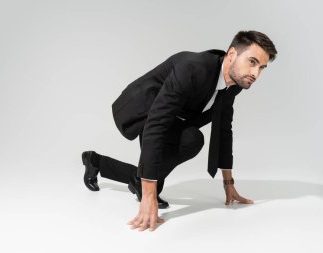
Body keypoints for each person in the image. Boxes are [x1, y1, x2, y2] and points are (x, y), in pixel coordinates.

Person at [81, 30, 277, 231]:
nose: (255, 74)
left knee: (190, 140)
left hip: (173, 115)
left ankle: (96, 162)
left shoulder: (234, 84)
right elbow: (157, 122)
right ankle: (138, 182)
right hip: (144, 108)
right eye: (252, 62)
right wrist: (149, 195)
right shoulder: (192, 68)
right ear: (233, 54)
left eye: (262, 67)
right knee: (152, 176)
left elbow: (224, 129)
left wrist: (229, 183)